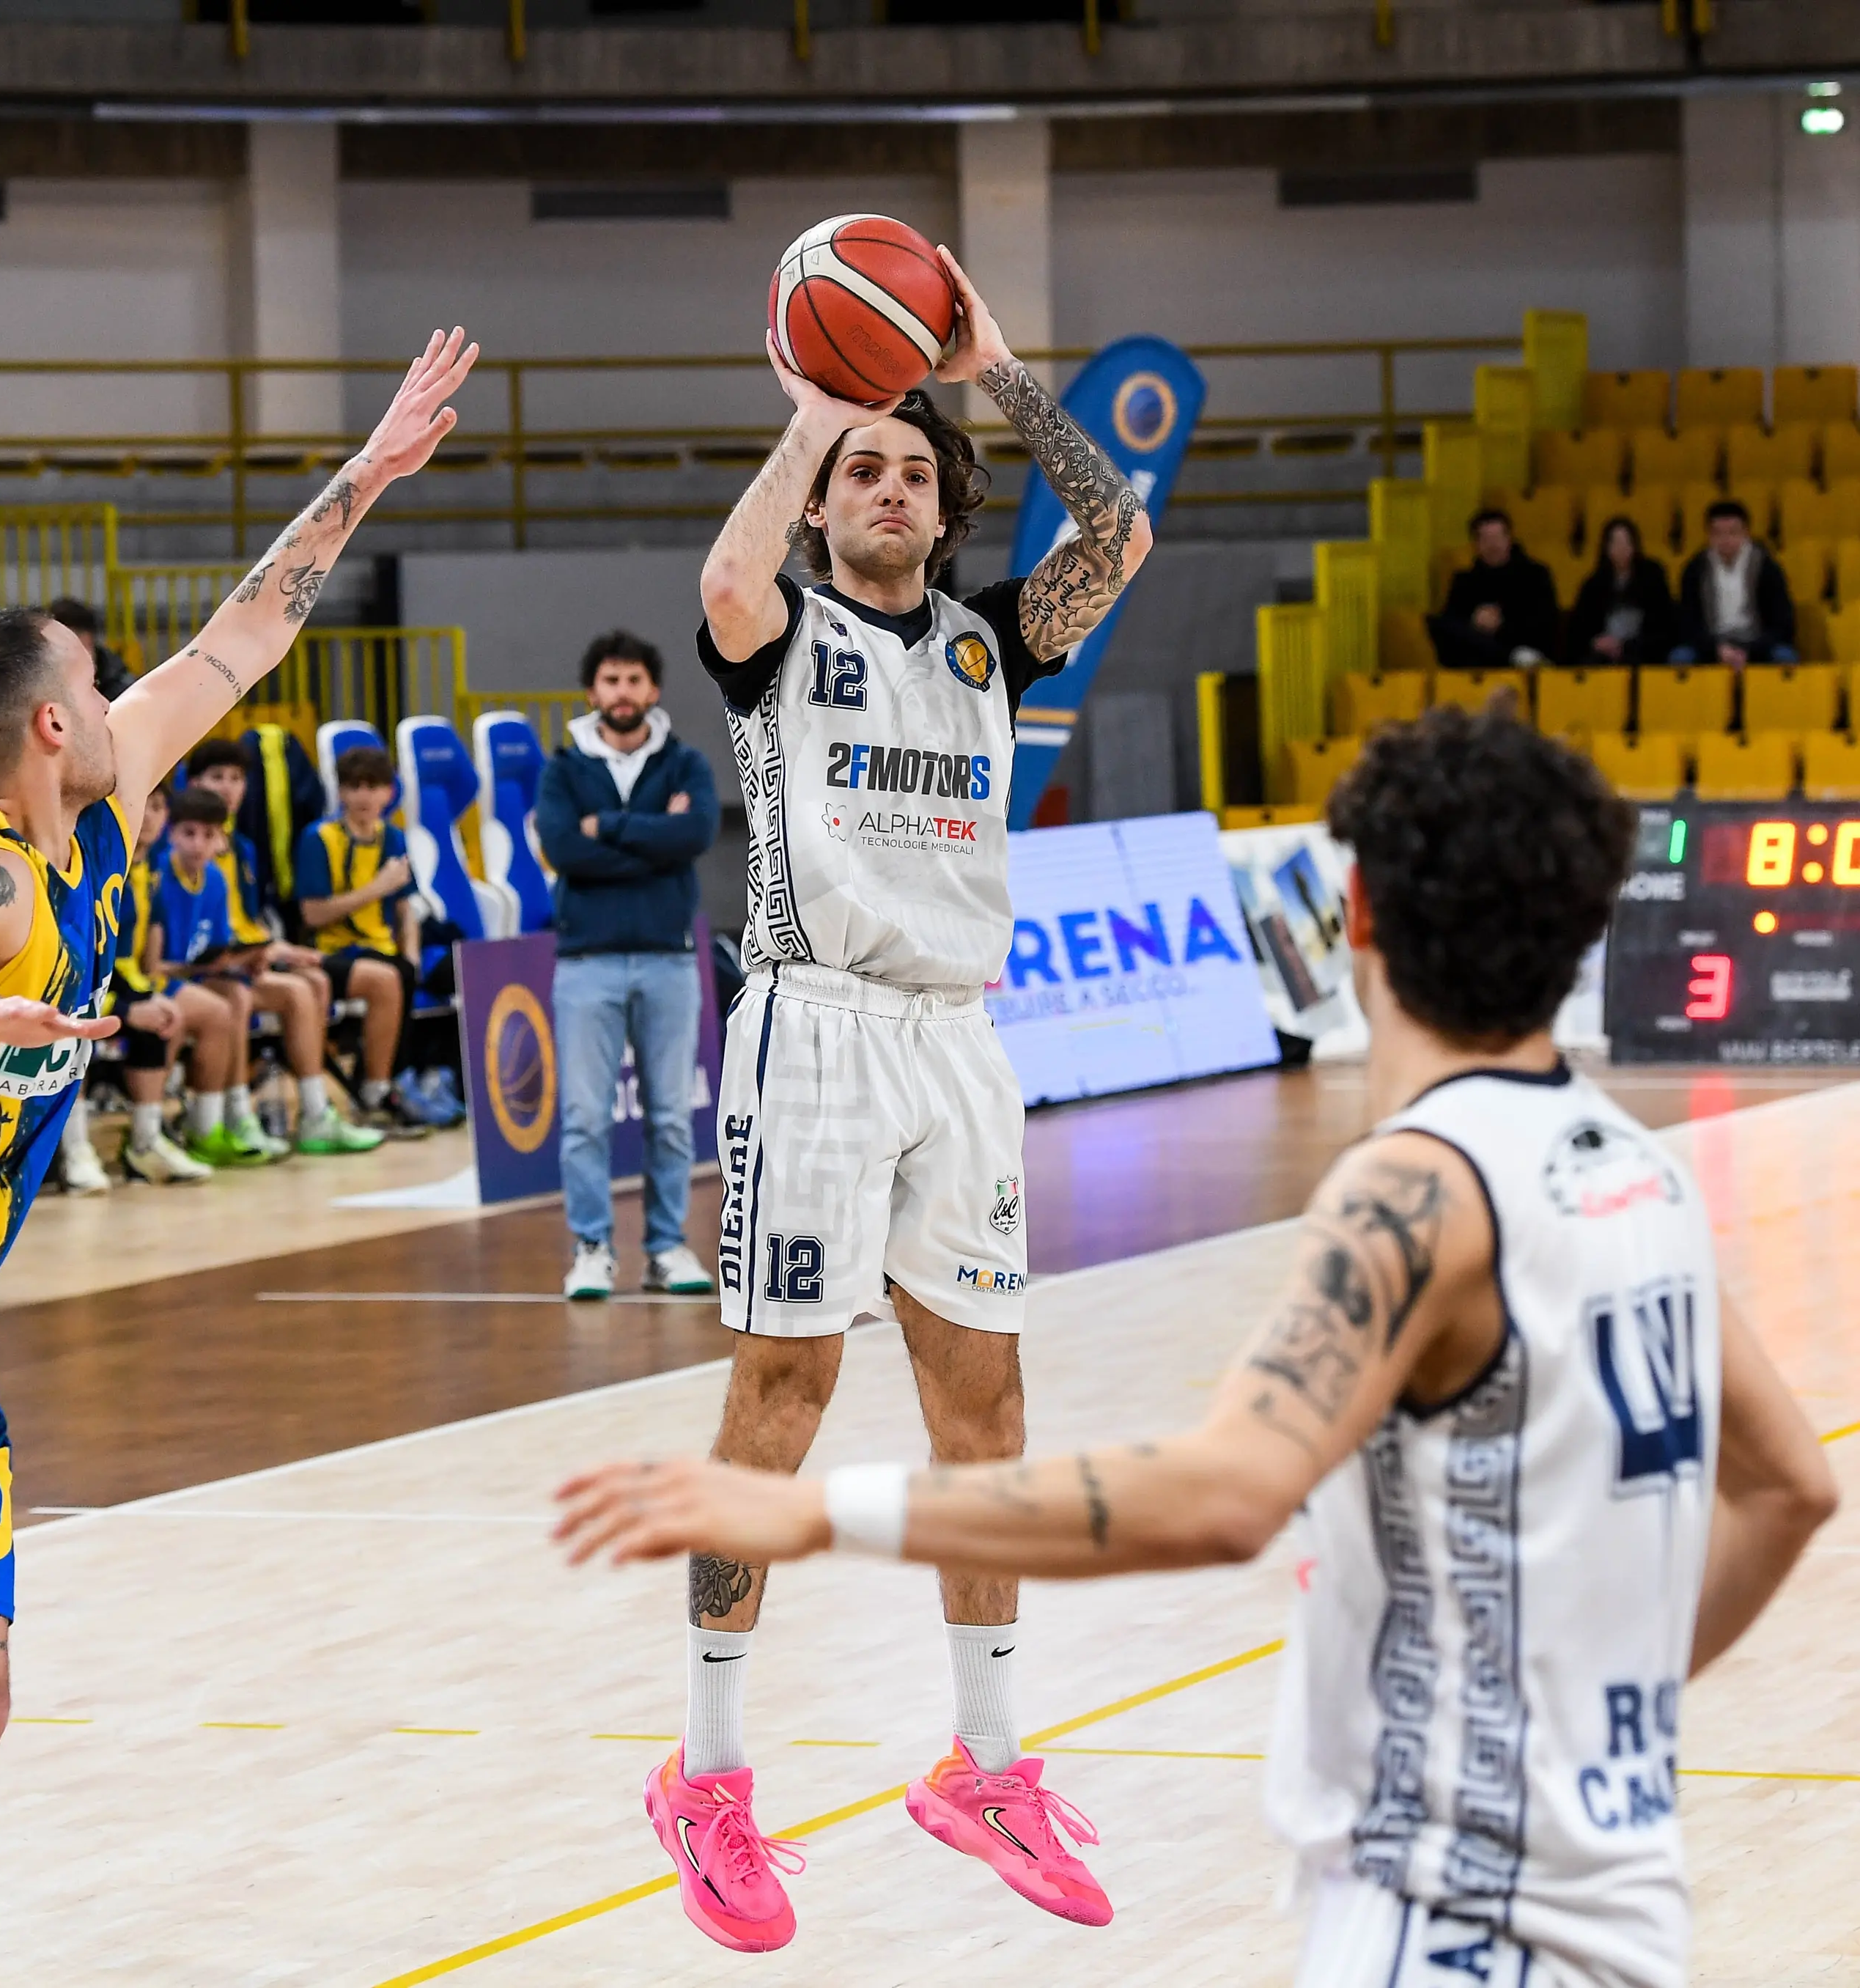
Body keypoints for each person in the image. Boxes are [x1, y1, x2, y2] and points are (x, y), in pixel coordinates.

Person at [559, 704, 1838, 1988]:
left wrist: (824, 1514)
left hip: (1446, 1925)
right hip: (1625, 1917)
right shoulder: (1643, 1176)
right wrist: (1603, 1706)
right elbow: (1795, 1486)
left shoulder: (1417, 1194)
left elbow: (1223, 1494)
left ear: (1363, 924)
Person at [0, 325, 473, 1988]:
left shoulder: (97, 819)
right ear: (53, 727)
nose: (131, 687)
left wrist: (372, 467)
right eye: (94, 673)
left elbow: (251, 625)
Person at [613, 244, 1153, 1955]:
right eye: (867, 466)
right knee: (783, 1389)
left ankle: (982, 1764)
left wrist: (991, 368)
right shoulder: (780, 634)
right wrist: (819, 409)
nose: (892, 484)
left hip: (957, 1043)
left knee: (984, 1410)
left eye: (915, 470)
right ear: (831, 496)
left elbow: (1118, 536)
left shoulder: (994, 642)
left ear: (943, 508)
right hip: (814, 1031)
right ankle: (704, 1772)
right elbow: (721, 572)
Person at [534, 630, 720, 1301]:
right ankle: (591, 1247)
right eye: (611, 681)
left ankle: (668, 1247)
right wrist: (651, 837)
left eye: (634, 681)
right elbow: (562, 847)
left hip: (670, 960)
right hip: (586, 962)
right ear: (593, 693)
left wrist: (605, 827)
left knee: (671, 1116)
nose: (623, 693)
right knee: (585, 1116)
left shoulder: (686, 764)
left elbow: (697, 833)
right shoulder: (562, 770)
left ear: (654, 690)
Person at [149, 787, 383, 1162]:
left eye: (209, 835)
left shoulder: (216, 880)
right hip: (177, 981)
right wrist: (210, 968)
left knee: (298, 991)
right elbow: (154, 965)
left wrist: (246, 960)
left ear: (220, 839)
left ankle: (315, 1113)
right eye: (188, 833)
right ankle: (233, 1116)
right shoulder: (157, 878)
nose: (198, 844)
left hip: (206, 977)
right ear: (171, 834)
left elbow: (220, 947)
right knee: (237, 997)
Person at [292, 745, 445, 1135]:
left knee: (410, 971)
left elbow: (404, 909)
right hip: (327, 952)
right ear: (340, 792)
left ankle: (405, 1080)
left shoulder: (392, 838)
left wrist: (410, 952)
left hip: (381, 949)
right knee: (388, 979)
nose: (363, 796)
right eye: (354, 787)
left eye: (373, 787)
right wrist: (375, 889)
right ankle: (379, 1093)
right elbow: (313, 914)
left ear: (389, 793)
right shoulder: (318, 839)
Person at [108, 779, 218, 1185]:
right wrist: (126, 1007)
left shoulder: (147, 871)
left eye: (157, 806)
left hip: (128, 979)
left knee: (165, 1014)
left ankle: (147, 1139)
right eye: (142, 804)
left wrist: (153, 991)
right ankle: (75, 1148)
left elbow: (148, 959)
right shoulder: (102, 868)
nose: (149, 815)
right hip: (85, 987)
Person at [1672, 498, 1798, 667]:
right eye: (1718, 533)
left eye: (1733, 532)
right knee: (1680, 658)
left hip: (1757, 642)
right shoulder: (1696, 569)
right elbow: (1687, 623)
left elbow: (1783, 623)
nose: (1726, 540)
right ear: (1708, 535)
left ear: (1746, 533)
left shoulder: (1766, 567)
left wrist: (1751, 650)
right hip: (1712, 644)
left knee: (1785, 657)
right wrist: (1716, 649)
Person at [1428, 509, 1560, 670]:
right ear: (1475, 545)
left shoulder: (1536, 574)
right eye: (1485, 539)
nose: (1493, 545)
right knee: (1439, 624)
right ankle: (1512, 656)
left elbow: (1546, 621)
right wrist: (1474, 620)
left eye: (1497, 538)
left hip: (1523, 643)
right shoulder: (1465, 580)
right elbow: (1452, 621)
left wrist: (1501, 625)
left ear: (1509, 539)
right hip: (1479, 652)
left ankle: (1513, 655)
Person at [1562, 515, 1678, 667]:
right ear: (1606, 547)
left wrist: (1626, 645)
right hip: (1602, 655)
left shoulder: (1652, 577)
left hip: (1642, 652)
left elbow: (1664, 626)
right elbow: (1578, 630)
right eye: (1615, 543)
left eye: (1626, 542)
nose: (1621, 548)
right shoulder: (1593, 584)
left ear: (1635, 545)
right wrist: (1596, 642)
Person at [45, 595, 136, 704]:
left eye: (84, 649)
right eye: (65, 652)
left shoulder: (123, 691)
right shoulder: (36, 690)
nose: (78, 660)